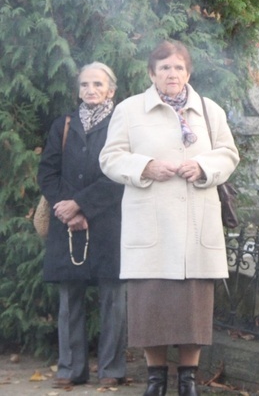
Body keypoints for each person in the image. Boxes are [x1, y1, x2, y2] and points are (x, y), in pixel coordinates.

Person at [99, 40, 239, 396]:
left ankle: (188, 380)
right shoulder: (130, 111)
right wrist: (145, 165)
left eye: (178, 67)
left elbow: (228, 154)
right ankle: (155, 379)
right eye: (164, 68)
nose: (171, 74)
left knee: (193, 307)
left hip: (196, 225)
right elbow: (110, 158)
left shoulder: (210, 110)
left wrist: (203, 165)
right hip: (151, 227)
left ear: (188, 72)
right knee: (150, 305)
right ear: (151, 74)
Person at [38, 62, 127, 389]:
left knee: (113, 301)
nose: (91, 90)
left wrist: (83, 204)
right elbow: (47, 172)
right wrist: (67, 208)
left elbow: (121, 175)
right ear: (78, 90)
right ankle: (70, 369)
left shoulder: (122, 124)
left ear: (111, 90)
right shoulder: (63, 125)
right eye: (85, 84)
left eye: (98, 84)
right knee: (69, 300)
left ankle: (112, 370)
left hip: (109, 222)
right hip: (68, 224)